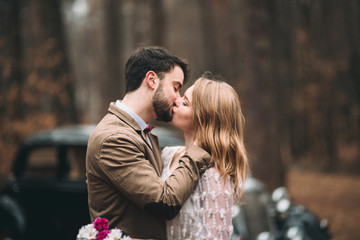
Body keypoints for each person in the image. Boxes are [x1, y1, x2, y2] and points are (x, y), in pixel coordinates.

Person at [86, 46, 211, 239]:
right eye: (176, 87)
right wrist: (197, 150)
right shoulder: (114, 138)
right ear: (152, 80)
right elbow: (164, 202)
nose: (178, 98)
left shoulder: (138, 132)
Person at [161, 72, 250, 239]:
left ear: (204, 120)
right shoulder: (169, 155)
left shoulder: (213, 176)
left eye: (185, 103)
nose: (176, 101)